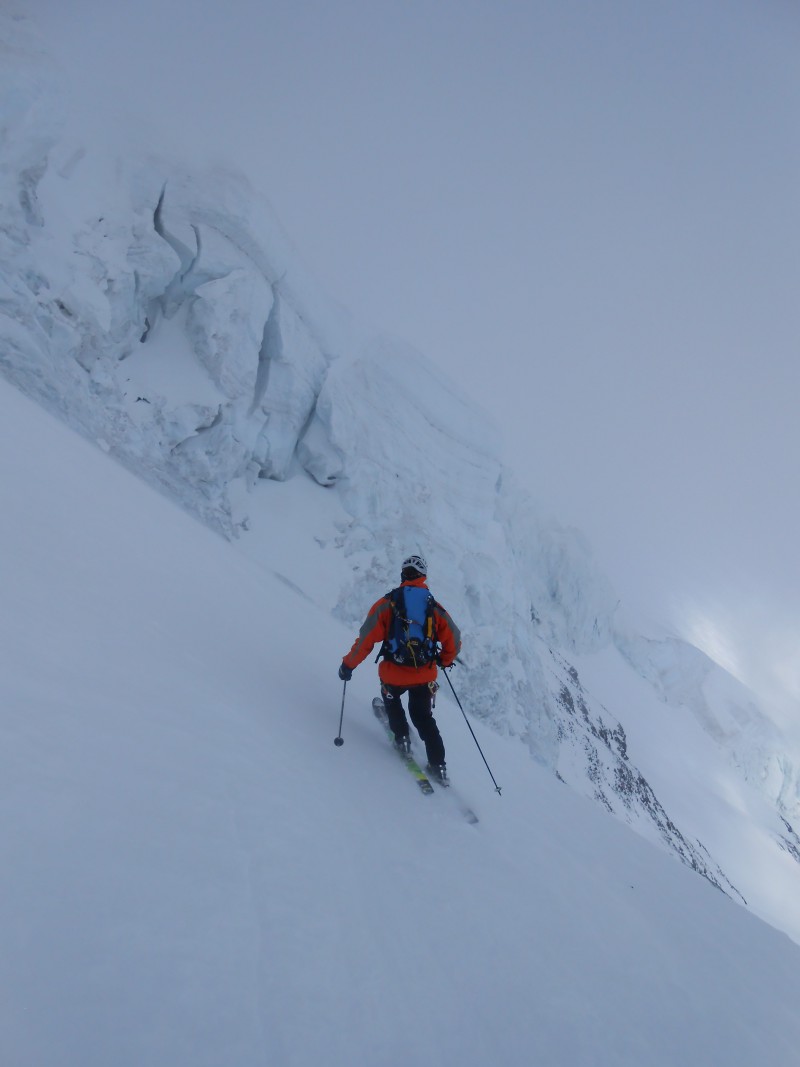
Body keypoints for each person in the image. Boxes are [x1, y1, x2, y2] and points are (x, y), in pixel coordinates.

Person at [338, 554, 461, 783]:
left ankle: (402, 739)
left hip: (393, 674)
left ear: (403, 575)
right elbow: (454, 637)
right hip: (424, 675)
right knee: (423, 717)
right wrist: (444, 659)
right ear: (423, 577)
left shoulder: (387, 604)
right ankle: (439, 766)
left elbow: (365, 640)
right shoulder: (433, 606)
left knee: (393, 705)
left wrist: (348, 665)